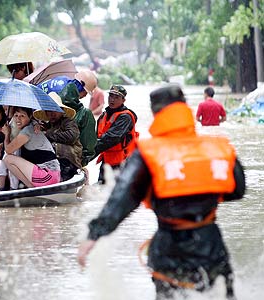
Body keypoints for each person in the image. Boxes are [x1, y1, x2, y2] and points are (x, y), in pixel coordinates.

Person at [78, 85, 246, 300]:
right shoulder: (220, 148)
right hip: (210, 244)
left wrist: (94, 235)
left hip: (169, 246)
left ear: (156, 112)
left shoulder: (149, 153)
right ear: (185, 107)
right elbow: (237, 191)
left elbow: (122, 200)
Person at [2, 106, 61, 188]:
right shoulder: (30, 127)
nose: (18, 119)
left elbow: (8, 150)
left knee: (8, 159)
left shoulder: (28, 131)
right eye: (16, 116)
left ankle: (30, 186)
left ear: (30, 117)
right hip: (53, 176)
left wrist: (6, 134)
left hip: (47, 176)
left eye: (22, 116)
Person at [94, 85, 138, 184]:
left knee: (115, 189)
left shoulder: (125, 117)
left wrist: (89, 154)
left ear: (123, 100)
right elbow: (97, 137)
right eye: (111, 96)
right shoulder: (103, 115)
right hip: (106, 159)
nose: (112, 100)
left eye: (116, 97)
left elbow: (112, 138)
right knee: (101, 188)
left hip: (122, 161)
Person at [34, 92, 82, 181]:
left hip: (69, 161)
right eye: (49, 111)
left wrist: (47, 134)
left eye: (55, 109)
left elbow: (72, 136)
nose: (52, 113)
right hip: (53, 162)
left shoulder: (68, 122)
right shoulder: (47, 126)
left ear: (61, 111)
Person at [59, 82, 97, 167]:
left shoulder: (85, 113)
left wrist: (82, 161)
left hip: (75, 160)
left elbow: (89, 143)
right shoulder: (57, 113)